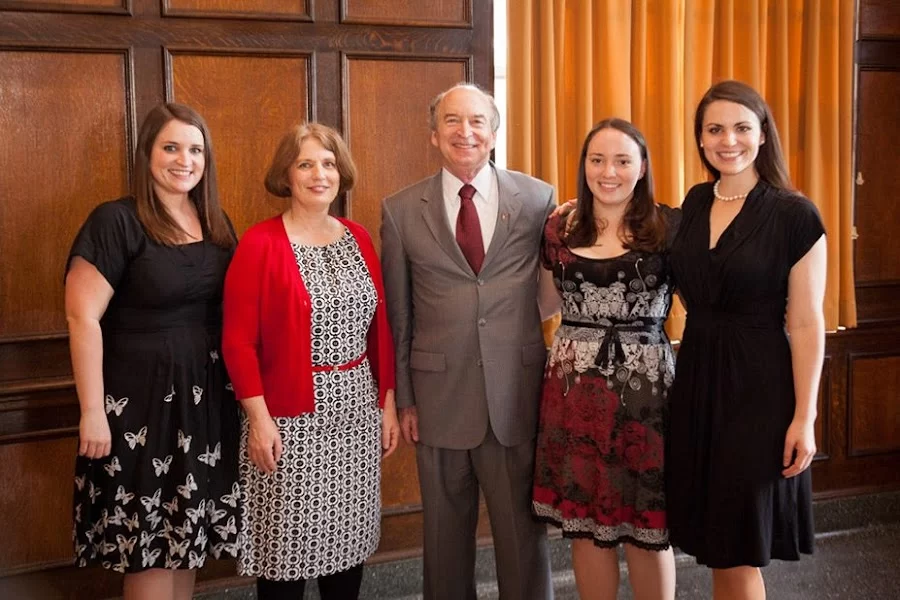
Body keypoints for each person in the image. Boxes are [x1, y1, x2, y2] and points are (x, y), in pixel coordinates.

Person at [380, 83, 557, 600]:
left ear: (495, 133)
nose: (466, 132)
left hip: (515, 395)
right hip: (437, 399)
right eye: (453, 122)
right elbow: (400, 314)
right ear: (434, 135)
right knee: (444, 543)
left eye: (478, 121)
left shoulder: (538, 199)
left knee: (524, 542)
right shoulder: (399, 210)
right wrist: (406, 397)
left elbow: (552, 289)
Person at [66, 103, 241, 600]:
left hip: (204, 406)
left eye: (195, 149)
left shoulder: (214, 220)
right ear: (147, 154)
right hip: (138, 410)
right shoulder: (116, 221)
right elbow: (82, 318)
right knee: (148, 543)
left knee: (185, 543)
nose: (184, 160)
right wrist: (91, 412)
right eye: (171, 147)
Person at [221, 122, 399, 600]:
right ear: (287, 175)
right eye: (306, 164)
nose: (319, 174)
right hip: (287, 419)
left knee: (348, 549)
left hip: (357, 414)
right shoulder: (260, 244)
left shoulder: (358, 238)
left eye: (328, 163)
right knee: (286, 555)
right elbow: (238, 342)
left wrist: (387, 403)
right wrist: (258, 420)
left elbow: (379, 329)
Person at [666, 80, 827, 600]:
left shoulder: (793, 214)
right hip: (697, 379)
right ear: (700, 138)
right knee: (717, 541)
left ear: (762, 135)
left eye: (741, 127)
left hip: (759, 390)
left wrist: (805, 416)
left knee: (737, 545)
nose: (727, 139)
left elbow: (806, 322)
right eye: (714, 129)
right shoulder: (694, 202)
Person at [532, 118, 679, 600]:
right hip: (574, 393)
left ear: (642, 168)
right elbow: (541, 303)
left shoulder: (668, 226)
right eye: (597, 160)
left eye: (622, 160)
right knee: (587, 526)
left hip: (648, 396)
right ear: (584, 166)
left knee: (646, 527)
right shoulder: (559, 225)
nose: (608, 171)